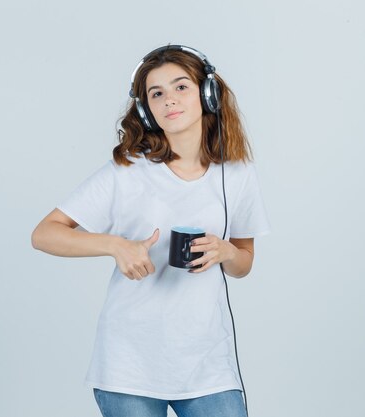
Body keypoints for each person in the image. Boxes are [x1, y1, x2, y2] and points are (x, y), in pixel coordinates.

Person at [31, 45, 270, 417]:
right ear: (146, 108)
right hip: (129, 366)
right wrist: (116, 246)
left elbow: (244, 263)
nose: (169, 100)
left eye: (180, 87)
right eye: (156, 93)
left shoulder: (237, 174)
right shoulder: (127, 171)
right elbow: (44, 233)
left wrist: (226, 252)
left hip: (208, 365)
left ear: (207, 94)